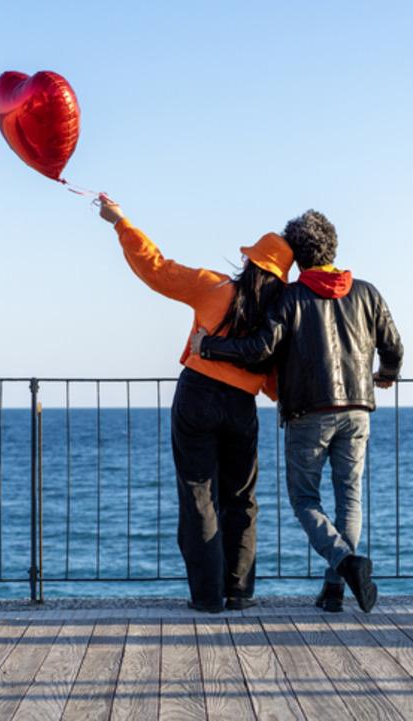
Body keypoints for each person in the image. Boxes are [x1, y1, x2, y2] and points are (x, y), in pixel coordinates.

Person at [192, 209, 402, 613]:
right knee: (350, 499)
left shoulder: (290, 299)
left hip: (309, 412)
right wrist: (386, 374)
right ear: (333, 248)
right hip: (358, 409)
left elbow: (258, 350)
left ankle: (345, 564)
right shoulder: (368, 293)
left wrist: (207, 347)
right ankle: (334, 591)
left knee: (304, 498)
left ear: (298, 258)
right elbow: (394, 346)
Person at [98, 194, 295, 613]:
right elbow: (276, 379)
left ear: (248, 264)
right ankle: (239, 592)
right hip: (242, 406)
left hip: (198, 395)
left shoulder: (213, 286)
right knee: (241, 498)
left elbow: (157, 269)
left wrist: (120, 222)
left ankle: (207, 598)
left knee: (197, 495)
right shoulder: (280, 314)